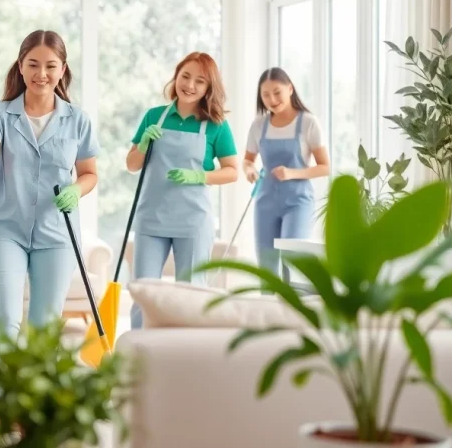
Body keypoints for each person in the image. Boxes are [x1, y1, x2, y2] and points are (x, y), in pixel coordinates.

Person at [0, 30, 98, 356]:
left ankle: (36, 402)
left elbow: (90, 174)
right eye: (33, 64)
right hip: (5, 230)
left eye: (50, 66)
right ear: (20, 66)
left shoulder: (77, 120)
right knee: (5, 318)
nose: (41, 74)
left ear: (62, 69)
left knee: (44, 325)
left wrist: (76, 191)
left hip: (56, 235)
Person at [126, 51, 238, 330]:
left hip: (193, 220)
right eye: (185, 76)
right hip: (151, 218)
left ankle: (186, 352)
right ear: (176, 77)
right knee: (143, 291)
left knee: (190, 293)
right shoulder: (155, 116)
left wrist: (198, 175)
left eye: (199, 81)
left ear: (208, 88)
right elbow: (131, 164)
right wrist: (142, 145)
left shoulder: (216, 126)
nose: (189, 85)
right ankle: (137, 354)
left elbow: (232, 171)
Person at [243, 67, 330, 284]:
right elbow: (247, 160)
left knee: (291, 260)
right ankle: (267, 314)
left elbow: (324, 167)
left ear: (290, 89)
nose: (272, 99)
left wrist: (292, 173)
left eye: (277, 92)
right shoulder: (258, 126)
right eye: (265, 95)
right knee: (267, 265)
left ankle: (292, 313)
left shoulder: (308, 122)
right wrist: (249, 170)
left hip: (297, 201)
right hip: (266, 201)